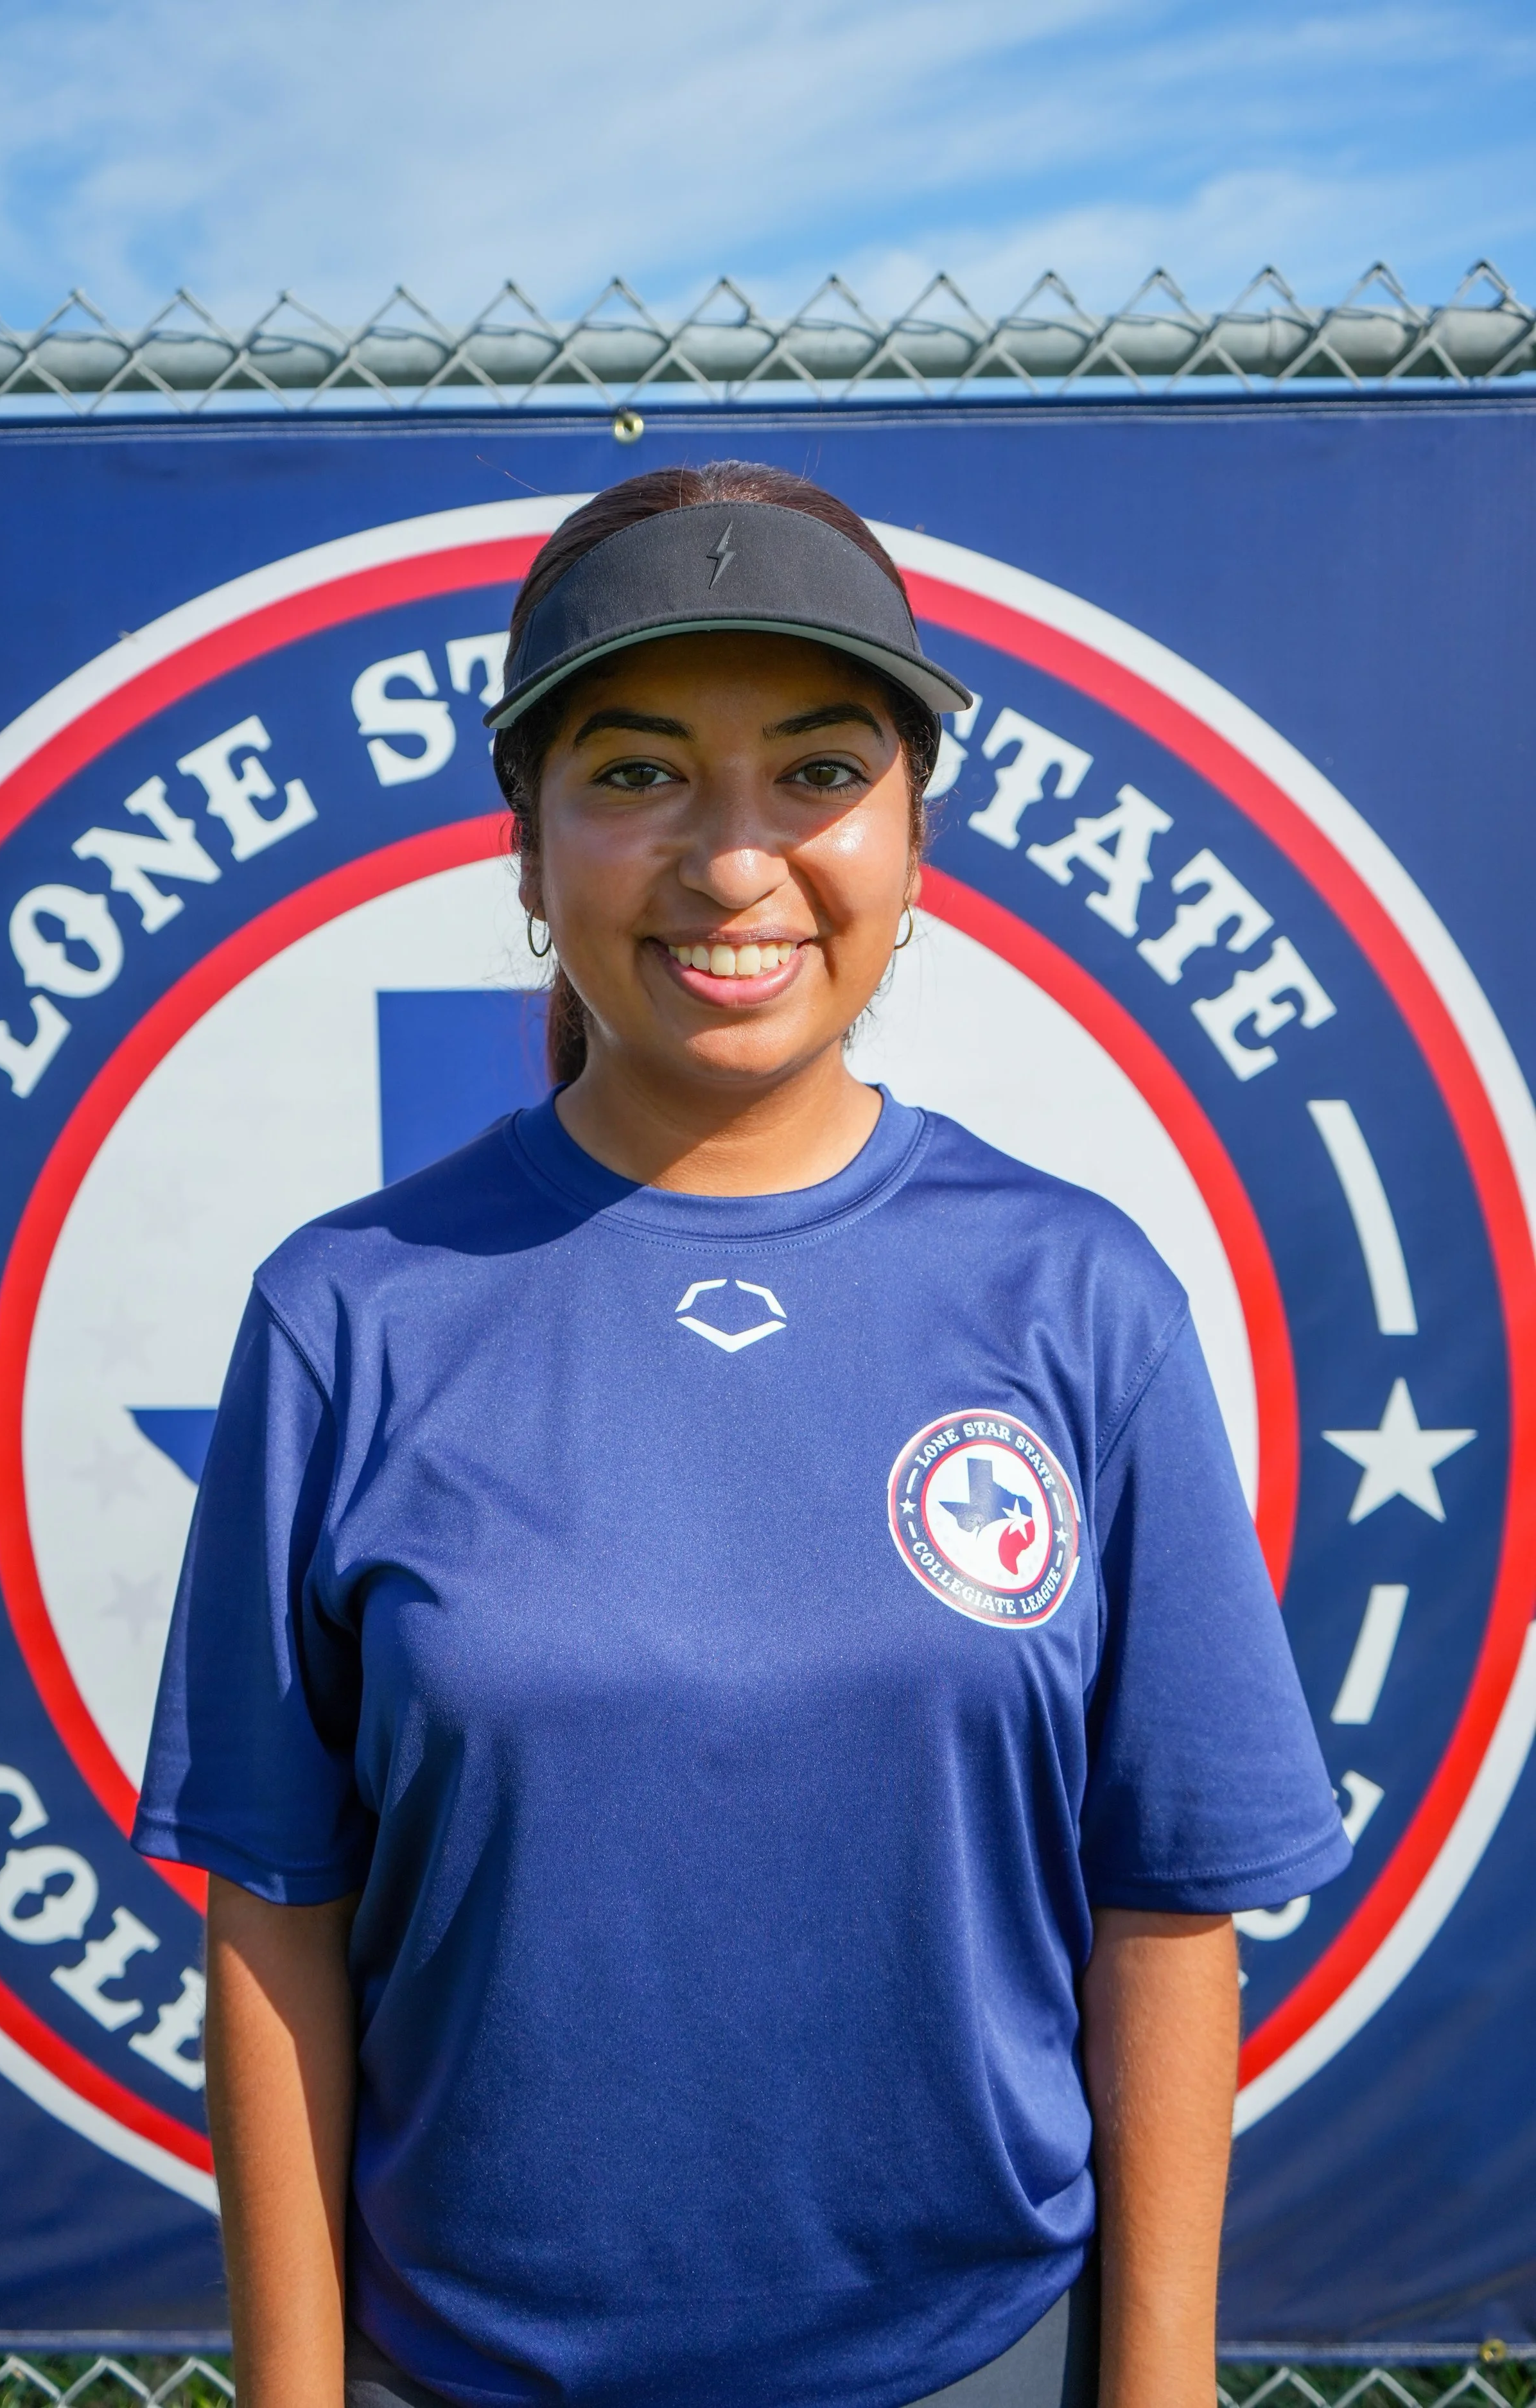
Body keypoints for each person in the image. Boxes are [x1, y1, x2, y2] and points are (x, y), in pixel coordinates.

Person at [134, 460, 1350, 2408]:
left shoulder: (1077, 1294)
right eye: (631, 775)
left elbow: (1164, 1899)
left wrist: (1158, 2383)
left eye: (814, 771)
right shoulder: (347, 1308)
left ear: (913, 834)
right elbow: (276, 1918)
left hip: (979, 2360)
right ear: (526, 847)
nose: (729, 859)